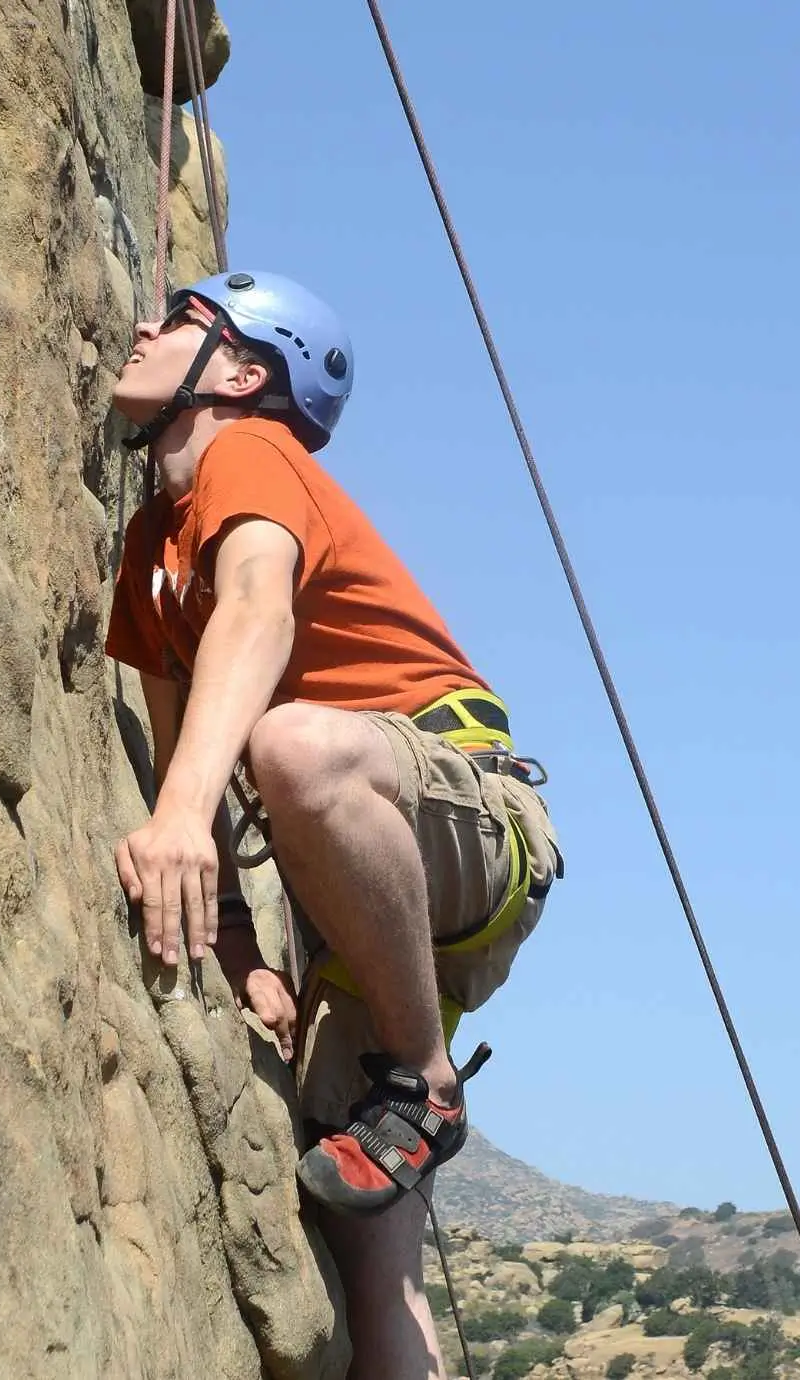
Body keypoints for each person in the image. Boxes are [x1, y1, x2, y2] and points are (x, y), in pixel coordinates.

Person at [104, 271, 562, 1379]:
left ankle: (426, 1077)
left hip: (466, 816)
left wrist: (181, 816)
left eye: (182, 322)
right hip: (367, 904)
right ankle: (408, 1087)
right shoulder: (153, 548)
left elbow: (258, 612)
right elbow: (180, 756)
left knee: (295, 747)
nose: (144, 328)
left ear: (242, 374)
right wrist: (242, 951)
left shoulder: (250, 454)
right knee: (375, 1273)